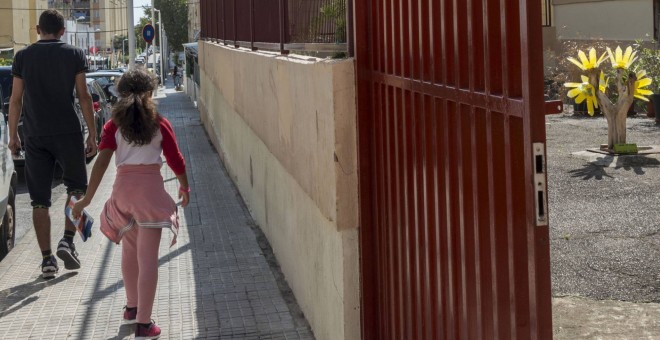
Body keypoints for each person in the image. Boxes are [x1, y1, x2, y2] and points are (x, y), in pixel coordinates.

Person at [72, 67, 190, 340]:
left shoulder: (113, 125)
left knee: (129, 252)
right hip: (150, 193)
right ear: (150, 92)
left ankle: (131, 307)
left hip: (123, 192)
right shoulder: (160, 123)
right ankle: (144, 324)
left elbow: (101, 162)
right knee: (148, 259)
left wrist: (87, 199)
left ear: (121, 93)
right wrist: (184, 186)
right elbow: (176, 160)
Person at [8, 9, 97, 279]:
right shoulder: (74, 55)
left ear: (38, 29)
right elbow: (83, 96)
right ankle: (67, 241)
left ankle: (47, 261)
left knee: (39, 201)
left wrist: (13, 134)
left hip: (35, 135)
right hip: (68, 133)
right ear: (62, 31)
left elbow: (15, 99)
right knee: (77, 188)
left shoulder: (22, 57)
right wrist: (92, 133)